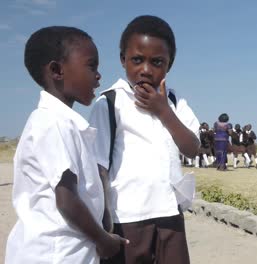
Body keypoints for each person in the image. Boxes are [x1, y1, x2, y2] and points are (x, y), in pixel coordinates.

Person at [6, 26, 128, 264]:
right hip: (56, 254)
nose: (98, 75)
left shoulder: (64, 123)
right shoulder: (53, 123)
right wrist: (103, 239)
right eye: (91, 66)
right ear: (57, 70)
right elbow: (67, 199)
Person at [89, 16, 200, 264]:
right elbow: (99, 170)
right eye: (137, 60)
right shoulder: (110, 103)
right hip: (126, 218)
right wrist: (104, 226)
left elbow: (192, 148)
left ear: (169, 65)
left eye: (157, 62)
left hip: (169, 214)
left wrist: (164, 112)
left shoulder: (174, 102)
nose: (146, 70)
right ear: (122, 60)